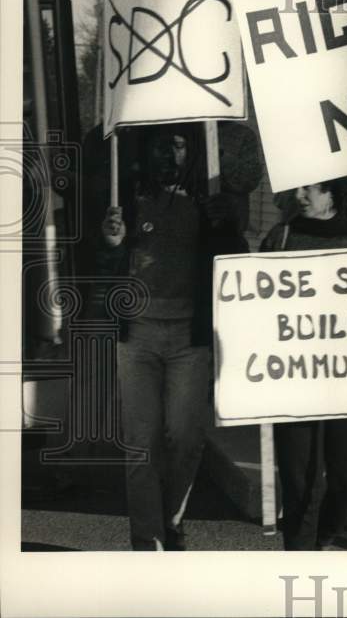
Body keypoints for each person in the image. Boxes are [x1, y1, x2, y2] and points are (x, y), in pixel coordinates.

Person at [97, 123, 254, 550]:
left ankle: (171, 522)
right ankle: (148, 541)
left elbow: (237, 269)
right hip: (138, 338)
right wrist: (112, 246)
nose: (170, 154)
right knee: (141, 445)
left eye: (180, 145)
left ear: (192, 152)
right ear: (146, 151)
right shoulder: (121, 198)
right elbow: (97, 272)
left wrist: (228, 228)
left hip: (190, 338)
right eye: (161, 146)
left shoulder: (212, 201)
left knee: (184, 439)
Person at [259, 178, 347, 551]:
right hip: (293, 379)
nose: (298, 196)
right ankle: (299, 561)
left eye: (309, 189)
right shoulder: (280, 238)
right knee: (298, 483)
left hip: (344, 386)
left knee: (343, 485)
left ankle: (319, 541)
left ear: (333, 193)